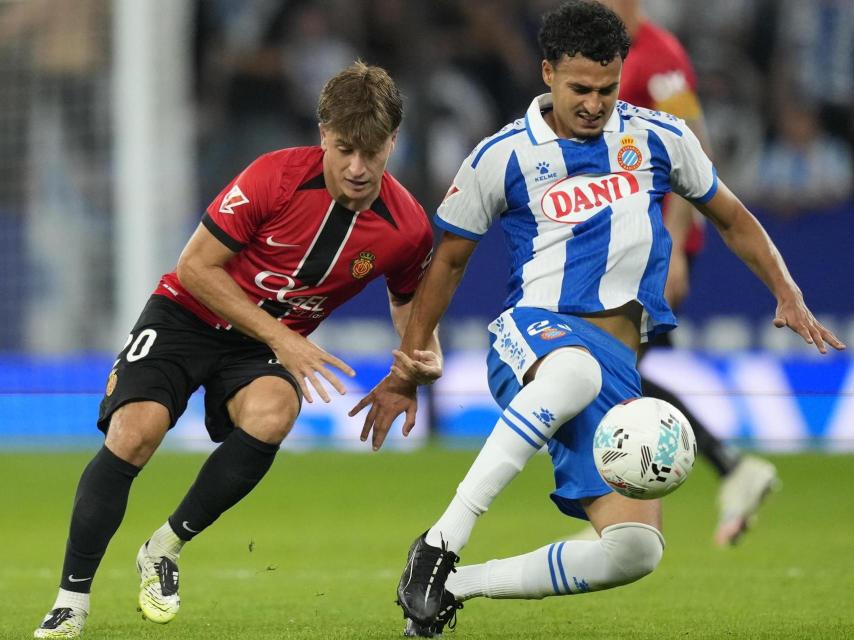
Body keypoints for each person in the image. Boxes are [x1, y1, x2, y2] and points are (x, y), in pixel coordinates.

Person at [350, 2, 845, 636]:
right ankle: (439, 546)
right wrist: (408, 365)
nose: (594, 102)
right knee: (573, 373)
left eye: (607, 88)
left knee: (636, 551)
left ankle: (454, 587)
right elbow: (447, 262)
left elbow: (732, 217)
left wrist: (786, 291)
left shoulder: (659, 138)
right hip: (533, 332)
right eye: (579, 88)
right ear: (548, 72)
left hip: (617, 369)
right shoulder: (501, 156)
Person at [33, 61, 438, 639]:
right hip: (189, 315)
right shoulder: (273, 176)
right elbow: (194, 267)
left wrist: (415, 366)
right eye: (345, 148)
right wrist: (282, 337)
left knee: (276, 411)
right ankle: (71, 601)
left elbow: (410, 305)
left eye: (372, 152)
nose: (357, 167)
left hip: (259, 347)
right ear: (324, 133)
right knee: (135, 431)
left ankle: (164, 548)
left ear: (393, 141)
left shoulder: (407, 228)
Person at [600, 0, 781, 546]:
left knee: (609, 373)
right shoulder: (609, 53)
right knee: (614, 375)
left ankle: (641, 511)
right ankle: (730, 469)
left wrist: (675, 246)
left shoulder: (660, 56)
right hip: (624, 239)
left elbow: (692, 145)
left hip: (656, 242)